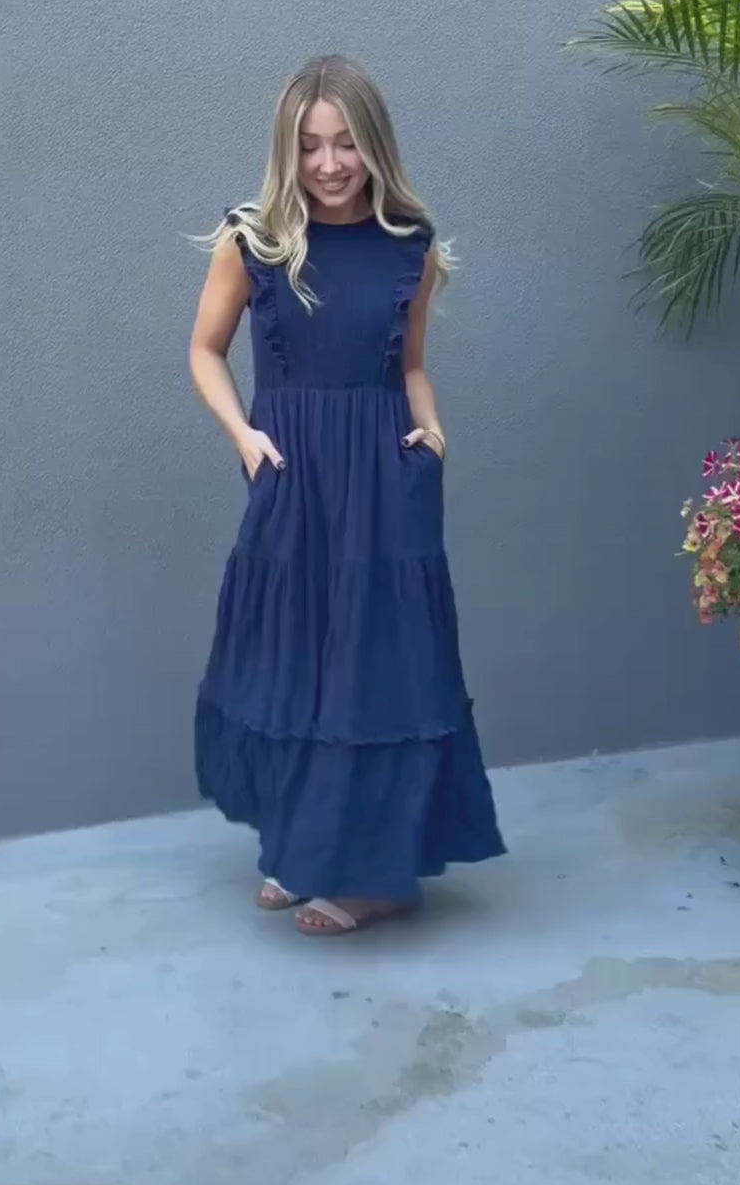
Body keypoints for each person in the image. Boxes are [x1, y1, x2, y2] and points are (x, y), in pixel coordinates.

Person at [189, 55, 505, 937]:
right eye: (311, 145)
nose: (329, 163)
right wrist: (245, 437)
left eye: (346, 144)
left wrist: (433, 432)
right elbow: (204, 351)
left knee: (373, 672)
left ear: (375, 145)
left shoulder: (411, 244)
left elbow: (410, 369)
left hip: (382, 479)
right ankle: (305, 845)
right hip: (291, 474)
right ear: (287, 150)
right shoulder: (251, 239)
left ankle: (373, 877)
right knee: (295, 662)